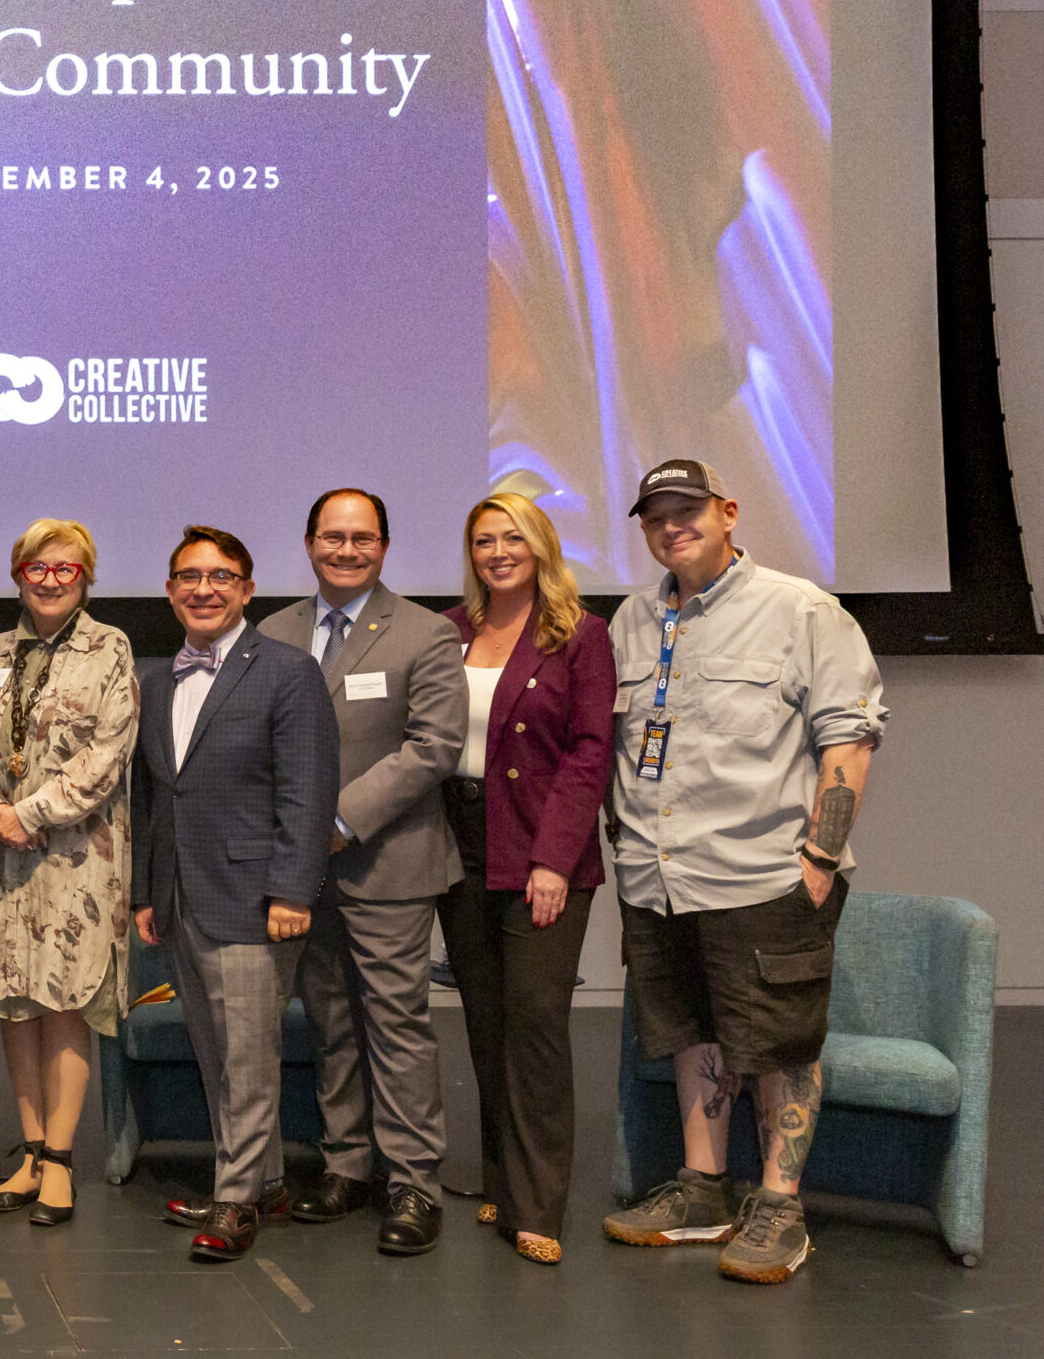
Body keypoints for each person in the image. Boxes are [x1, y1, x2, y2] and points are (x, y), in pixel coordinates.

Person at [600, 460, 886, 1284]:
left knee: (780, 1041)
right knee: (692, 1028)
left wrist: (820, 859)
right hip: (659, 878)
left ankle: (780, 1207)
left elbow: (850, 735)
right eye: (656, 514)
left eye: (688, 509)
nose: (671, 524)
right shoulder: (633, 619)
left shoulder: (799, 610)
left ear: (728, 512)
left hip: (765, 875)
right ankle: (704, 1190)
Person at [257, 487, 467, 1255]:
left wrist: (338, 822)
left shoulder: (426, 632)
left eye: (363, 538)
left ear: (385, 545)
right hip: (300, 871)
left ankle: (413, 1181)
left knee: (397, 1024)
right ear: (309, 543)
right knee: (331, 1018)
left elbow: (433, 746)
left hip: (386, 860)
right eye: (333, 537)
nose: (347, 550)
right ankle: (346, 1165)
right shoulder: (273, 631)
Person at [131, 525, 341, 1260]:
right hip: (181, 897)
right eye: (188, 576)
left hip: (256, 901)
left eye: (221, 576)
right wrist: (145, 894)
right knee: (217, 1052)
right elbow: (154, 798)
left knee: (249, 1059)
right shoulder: (158, 680)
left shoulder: (287, 671)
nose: (203, 588)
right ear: (169, 590)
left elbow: (308, 792)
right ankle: (266, 1183)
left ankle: (235, 1200)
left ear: (247, 590)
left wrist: (292, 891)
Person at [439, 492, 616, 1265]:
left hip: (542, 848)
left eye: (513, 537)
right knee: (485, 1018)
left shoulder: (579, 635)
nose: (499, 551)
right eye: (484, 540)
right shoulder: (450, 632)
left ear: (541, 544)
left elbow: (588, 753)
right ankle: (499, 1182)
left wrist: (553, 858)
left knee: (536, 1021)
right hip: (461, 843)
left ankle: (538, 1205)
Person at [0, 520, 139, 1227]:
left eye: (65, 568)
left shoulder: (112, 646)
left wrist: (31, 812)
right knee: (14, 999)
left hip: (77, 850)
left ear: (86, 575)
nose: (50, 578)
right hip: (0, 852)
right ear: (17, 573)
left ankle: (63, 1159)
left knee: (66, 997)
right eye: (37, 566)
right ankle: (31, 1153)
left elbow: (108, 751)